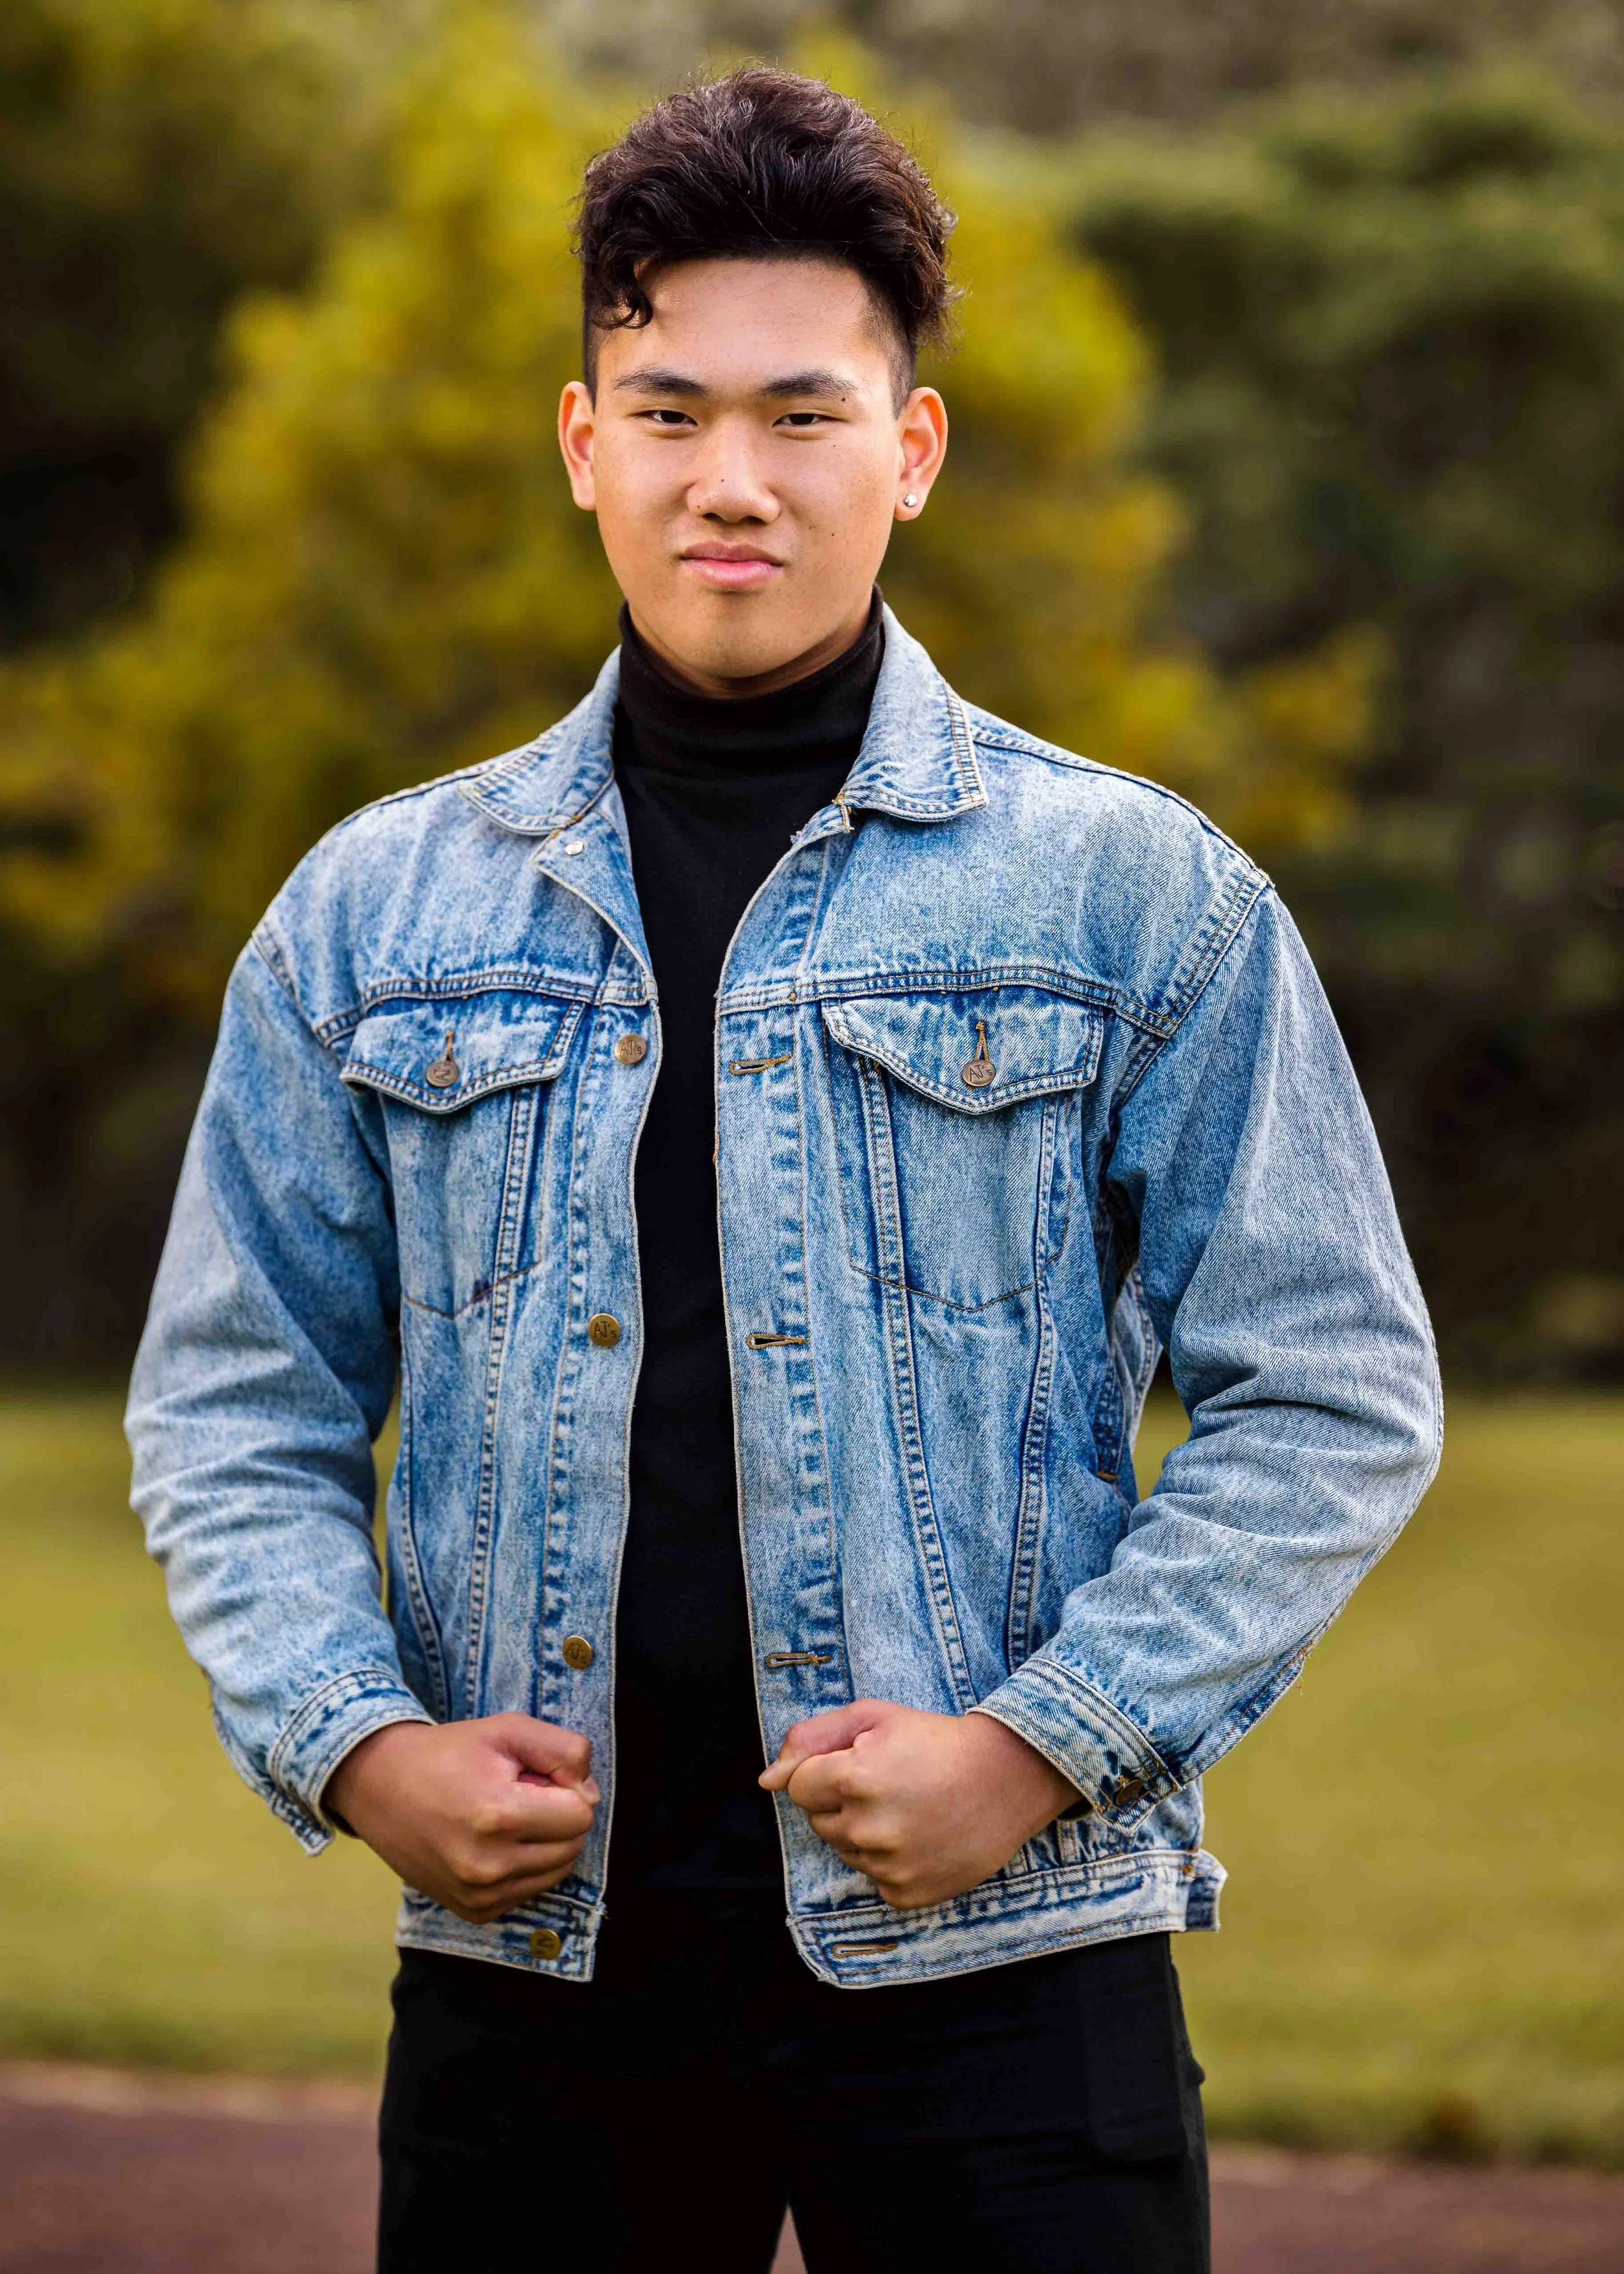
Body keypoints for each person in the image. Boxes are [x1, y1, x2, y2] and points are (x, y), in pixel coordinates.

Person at [127, 66, 1441, 2274]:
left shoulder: (1135, 896)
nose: (728, 479)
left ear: (907, 452)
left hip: (1011, 1975)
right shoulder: (369, 913)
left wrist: (1039, 1746)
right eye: (666, 412)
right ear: (581, 442)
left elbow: (1333, 1389)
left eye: (801, 413)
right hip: (533, 1991)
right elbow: (229, 1403)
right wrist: (355, 1746)